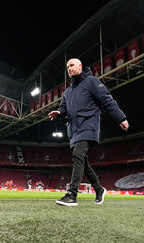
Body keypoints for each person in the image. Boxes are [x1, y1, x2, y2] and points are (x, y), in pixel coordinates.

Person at [48, 58, 129, 206]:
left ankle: (72, 194)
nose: (69, 69)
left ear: (80, 66)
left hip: (88, 125)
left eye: (72, 65)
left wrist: (120, 118)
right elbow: (63, 108)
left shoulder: (91, 81)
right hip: (74, 130)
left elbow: (106, 99)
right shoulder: (67, 92)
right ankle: (99, 189)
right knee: (83, 163)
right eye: (67, 67)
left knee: (77, 155)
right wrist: (59, 113)